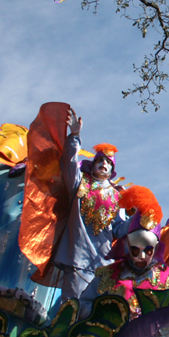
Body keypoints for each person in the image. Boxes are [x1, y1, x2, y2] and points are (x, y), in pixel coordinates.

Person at [53, 109, 126, 301]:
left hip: (103, 263)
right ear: (92, 165)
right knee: (72, 309)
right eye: (100, 160)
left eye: (108, 162)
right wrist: (75, 136)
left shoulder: (118, 197)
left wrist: (140, 218)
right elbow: (68, 163)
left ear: (112, 170)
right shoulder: (80, 183)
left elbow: (119, 229)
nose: (103, 164)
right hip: (77, 258)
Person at [78, 186, 169, 319]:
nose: (141, 256)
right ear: (127, 245)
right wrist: (110, 313)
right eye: (135, 250)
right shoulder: (106, 275)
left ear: (156, 248)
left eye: (148, 250)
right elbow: (82, 307)